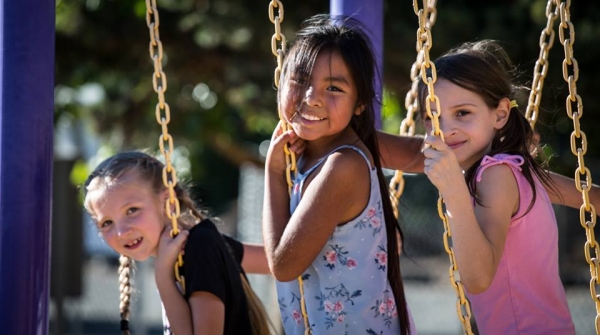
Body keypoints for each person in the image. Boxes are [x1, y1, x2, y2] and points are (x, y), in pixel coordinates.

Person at [262, 14, 415, 335]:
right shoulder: (310, 154)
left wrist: (273, 175)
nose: (312, 97)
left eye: (333, 87)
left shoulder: (342, 165)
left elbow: (283, 265)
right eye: (300, 80)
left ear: (360, 104)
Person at [416, 40, 576, 334]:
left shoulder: (495, 176)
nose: (446, 128)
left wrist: (454, 192)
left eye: (462, 112)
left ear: (500, 115)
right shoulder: (520, 170)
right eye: (431, 118)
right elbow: (590, 197)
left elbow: (478, 279)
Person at [83, 151, 273, 335]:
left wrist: (163, 277)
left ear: (168, 203)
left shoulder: (200, 246)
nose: (121, 232)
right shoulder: (202, 244)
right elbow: (271, 262)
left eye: (132, 210)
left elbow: (280, 263)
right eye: (106, 223)